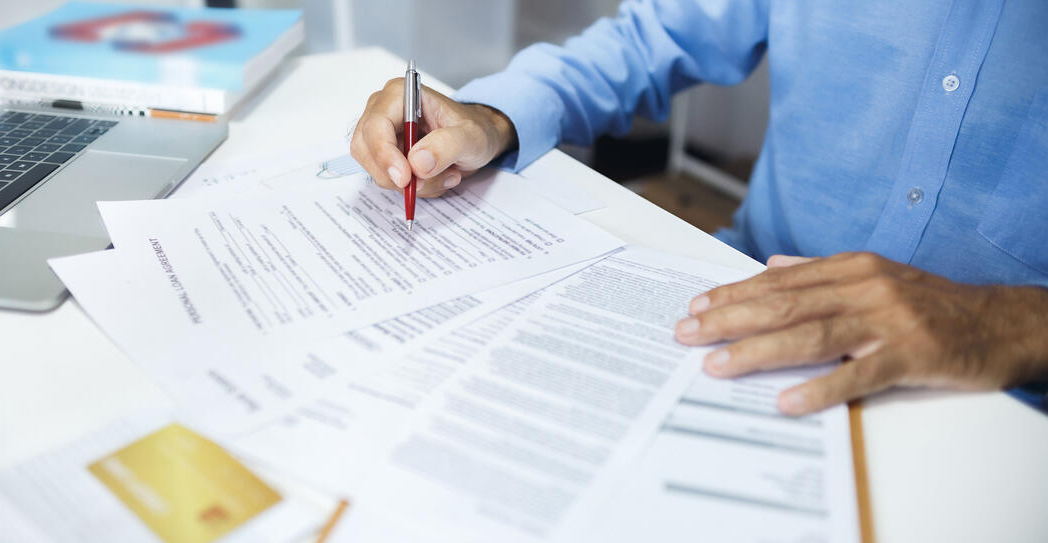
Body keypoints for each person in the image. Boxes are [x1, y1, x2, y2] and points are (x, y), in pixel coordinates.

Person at [350, 0, 1048, 415]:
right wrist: (491, 116)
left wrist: (1010, 322)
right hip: (737, 302)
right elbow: (653, 39)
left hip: (1000, 408)